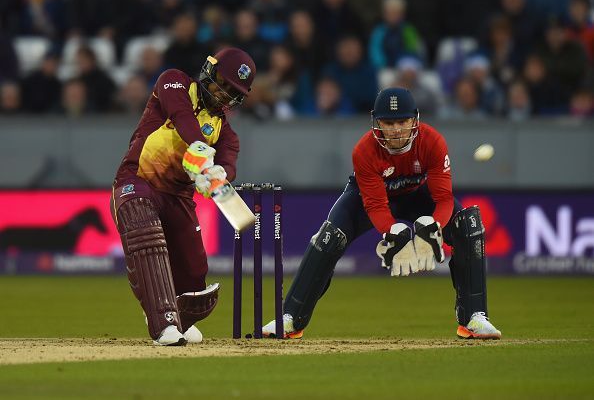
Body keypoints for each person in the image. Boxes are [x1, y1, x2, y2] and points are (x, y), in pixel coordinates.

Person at [263, 87, 502, 340]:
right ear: (377, 122)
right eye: (389, 123)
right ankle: (290, 318)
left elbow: (443, 198)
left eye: (402, 121)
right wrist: (391, 231)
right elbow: (376, 206)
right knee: (329, 237)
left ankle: (474, 318)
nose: (397, 129)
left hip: (418, 195)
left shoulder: (432, 141)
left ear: (414, 120)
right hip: (371, 196)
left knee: (468, 225)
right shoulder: (364, 151)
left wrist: (435, 226)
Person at [110, 47, 256, 346]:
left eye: (233, 92)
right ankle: (163, 322)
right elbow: (180, 115)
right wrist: (201, 149)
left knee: (194, 273)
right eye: (223, 84)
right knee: (147, 235)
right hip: (137, 181)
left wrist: (217, 175)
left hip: (178, 197)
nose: (224, 95)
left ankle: (179, 317)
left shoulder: (227, 135)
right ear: (209, 72)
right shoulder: (174, 82)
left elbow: (228, 164)